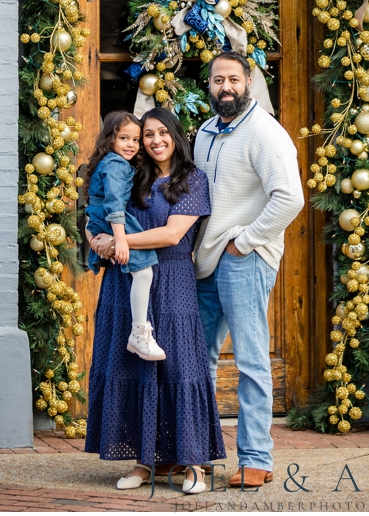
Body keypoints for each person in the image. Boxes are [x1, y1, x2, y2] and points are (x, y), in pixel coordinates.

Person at [84, 107, 225, 496]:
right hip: (125, 280)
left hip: (173, 279)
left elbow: (171, 234)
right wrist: (95, 237)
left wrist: (119, 242)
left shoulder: (193, 179)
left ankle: (193, 462)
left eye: (163, 132)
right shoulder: (132, 173)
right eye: (148, 134)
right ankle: (145, 461)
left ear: (176, 136)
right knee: (136, 368)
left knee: (180, 366)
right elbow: (100, 206)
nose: (155, 140)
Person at [194, 50, 304, 489]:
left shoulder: (265, 132)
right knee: (196, 357)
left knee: (251, 359)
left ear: (249, 82)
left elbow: (290, 198)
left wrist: (246, 241)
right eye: (218, 80)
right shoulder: (205, 132)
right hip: (205, 259)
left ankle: (256, 458)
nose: (226, 87)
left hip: (245, 258)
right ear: (209, 85)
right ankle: (197, 452)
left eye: (233, 79)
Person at [82, 111, 164, 361]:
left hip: (102, 220)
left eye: (136, 140)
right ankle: (139, 333)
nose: (131, 145)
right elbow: (115, 204)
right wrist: (120, 240)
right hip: (113, 221)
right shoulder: (116, 164)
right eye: (124, 138)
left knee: (142, 273)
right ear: (110, 139)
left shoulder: (109, 162)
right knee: (144, 271)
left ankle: (138, 333)